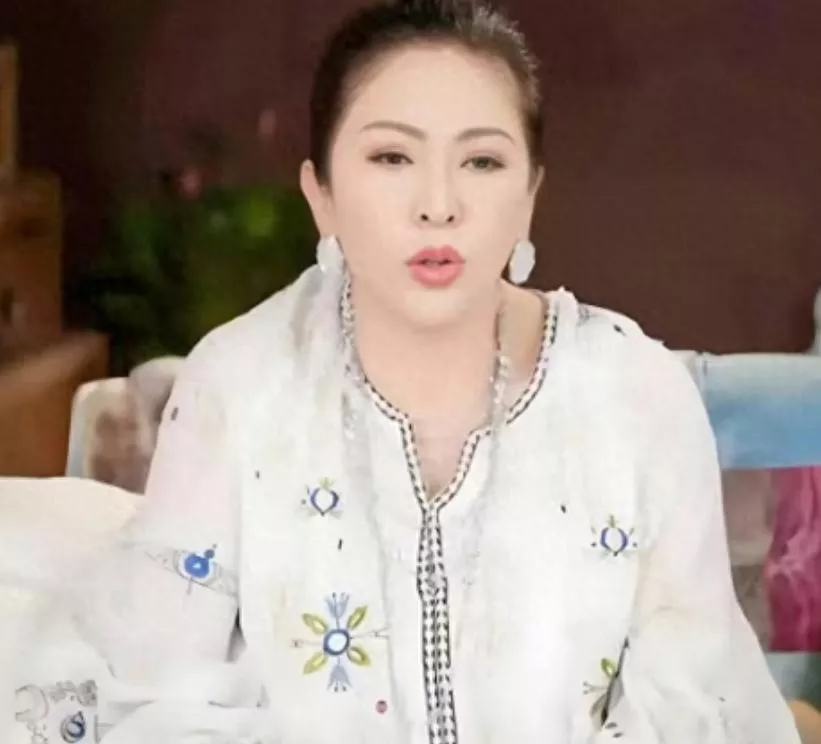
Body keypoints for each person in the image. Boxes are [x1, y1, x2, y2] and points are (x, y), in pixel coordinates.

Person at [26, 0, 802, 741]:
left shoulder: (635, 397)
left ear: (529, 197)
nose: (438, 204)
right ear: (321, 196)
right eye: (391, 157)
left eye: (481, 160)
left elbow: (688, 706)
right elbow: (161, 692)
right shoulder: (238, 387)